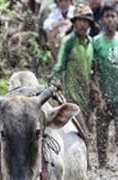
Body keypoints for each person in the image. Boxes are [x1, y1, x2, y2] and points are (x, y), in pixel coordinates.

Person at [52, 4, 95, 140]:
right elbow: (59, 66)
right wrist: (55, 81)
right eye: (80, 20)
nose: (83, 24)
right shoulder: (68, 42)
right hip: (72, 97)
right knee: (82, 133)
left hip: (87, 97)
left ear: (89, 24)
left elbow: (93, 69)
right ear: (75, 23)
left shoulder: (91, 42)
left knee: (87, 133)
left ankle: (85, 160)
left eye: (85, 21)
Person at [92, 5, 118, 168]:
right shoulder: (96, 42)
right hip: (104, 94)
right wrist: (98, 95)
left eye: (113, 16)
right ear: (102, 20)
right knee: (101, 131)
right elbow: (93, 72)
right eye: (107, 16)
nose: (110, 19)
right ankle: (102, 163)